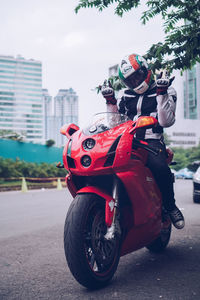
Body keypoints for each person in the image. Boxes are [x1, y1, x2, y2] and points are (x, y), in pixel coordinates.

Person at [101, 53, 185, 229]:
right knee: (103, 163)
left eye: (137, 76)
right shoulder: (124, 95)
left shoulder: (167, 89)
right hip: (126, 141)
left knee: (160, 167)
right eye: (130, 80)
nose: (135, 82)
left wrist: (161, 93)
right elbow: (114, 124)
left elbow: (165, 121)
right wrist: (110, 102)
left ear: (146, 71)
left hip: (151, 141)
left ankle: (170, 206)